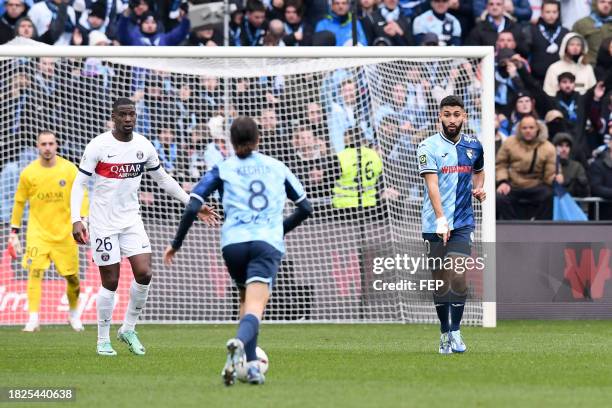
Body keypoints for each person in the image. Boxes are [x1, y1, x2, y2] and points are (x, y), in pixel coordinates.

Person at [163, 116, 313, 385]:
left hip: (233, 245)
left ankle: (252, 365)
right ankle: (238, 344)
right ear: (258, 139)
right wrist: (278, 230)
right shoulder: (277, 167)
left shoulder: (222, 168)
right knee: (256, 307)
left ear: (231, 142)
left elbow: (192, 206)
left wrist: (176, 244)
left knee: (246, 303)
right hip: (265, 243)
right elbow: (305, 208)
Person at [70, 98, 217, 357]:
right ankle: (102, 339)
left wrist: (192, 203)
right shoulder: (98, 146)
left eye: (132, 115)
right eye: (123, 115)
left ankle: (128, 328)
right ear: (113, 117)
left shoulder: (143, 146)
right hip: (103, 223)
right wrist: (76, 218)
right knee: (111, 281)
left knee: (145, 273)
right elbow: (79, 183)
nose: (128, 119)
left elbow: (164, 180)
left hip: (131, 221)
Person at [417, 95, 485, 354]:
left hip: (463, 222)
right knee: (440, 282)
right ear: (440, 116)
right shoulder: (427, 147)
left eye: (457, 114)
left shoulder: (474, 145)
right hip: (434, 223)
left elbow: (479, 170)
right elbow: (432, 185)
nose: (452, 119)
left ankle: (455, 331)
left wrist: (479, 189)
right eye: (447, 114)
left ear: (464, 116)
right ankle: (444, 333)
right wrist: (441, 218)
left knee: (458, 275)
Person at [8, 131, 89, 332]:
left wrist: (83, 218)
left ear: (56, 145)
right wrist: (14, 231)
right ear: (38, 146)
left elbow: (82, 194)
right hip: (38, 234)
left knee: (72, 278)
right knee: (34, 272)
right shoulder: (29, 173)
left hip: (65, 234)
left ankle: (73, 314)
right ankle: (33, 319)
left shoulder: (69, 169)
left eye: (51, 143)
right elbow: (19, 202)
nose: (47, 147)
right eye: (43, 144)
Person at [496, 115, 556, 220]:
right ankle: (512, 226)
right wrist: (503, 182)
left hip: (536, 185)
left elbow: (549, 175)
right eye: (524, 128)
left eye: (531, 127)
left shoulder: (548, 147)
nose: (528, 131)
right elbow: (501, 164)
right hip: (513, 185)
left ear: (537, 128)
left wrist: (554, 179)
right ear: (519, 129)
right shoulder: (509, 143)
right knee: (500, 197)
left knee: (548, 195)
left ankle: (541, 228)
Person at [543, 32, 597, 97]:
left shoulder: (587, 68)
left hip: (583, 103)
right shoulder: (554, 68)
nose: (575, 47)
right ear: (565, 47)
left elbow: (593, 90)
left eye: (578, 45)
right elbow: (549, 92)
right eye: (572, 44)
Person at [572, 0, 612, 66]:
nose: (606, 5)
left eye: (610, 3)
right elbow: (572, 47)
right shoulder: (582, 24)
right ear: (595, 3)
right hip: (589, 67)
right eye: (602, 2)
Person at [552, 132, 590, 197]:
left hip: (571, 205)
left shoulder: (577, 167)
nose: (564, 149)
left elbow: (584, 194)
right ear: (554, 147)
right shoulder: (549, 165)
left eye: (567, 146)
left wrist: (582, 185)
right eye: (560, 146)